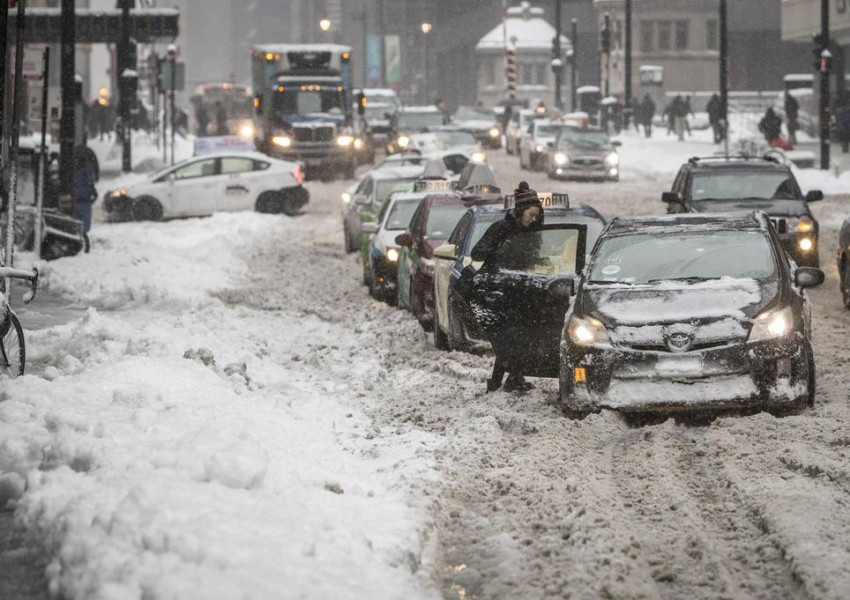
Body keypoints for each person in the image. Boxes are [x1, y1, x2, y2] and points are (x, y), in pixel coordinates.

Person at [470, 181, 544, 393]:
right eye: (531, 214)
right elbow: (477, 253)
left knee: (518, 338)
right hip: (499, 293)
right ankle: (505, 380)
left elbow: (531, 259)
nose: (534, 219)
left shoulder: (532, 234)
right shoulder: (500, 229)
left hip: (523, 292)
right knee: (508, 339)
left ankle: (509, 379)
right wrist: (497, 250)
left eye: (537, 215)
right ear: (520, 211)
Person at [73, 144, 99, 253]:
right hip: (85, 202)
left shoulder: (72, 173)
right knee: (84, 226)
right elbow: (91, 187)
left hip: (76, 202)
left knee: (76, 223)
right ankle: (83, 243)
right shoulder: (87, 173)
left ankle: (78, 242)